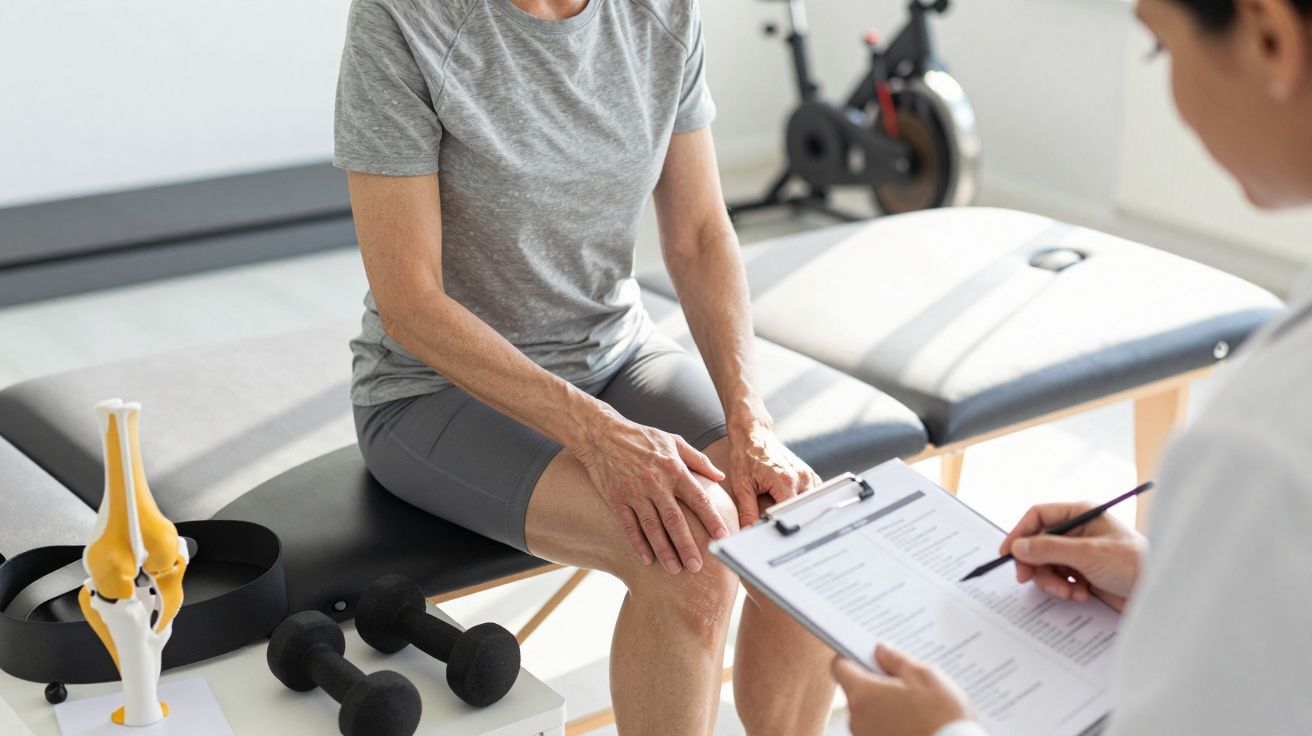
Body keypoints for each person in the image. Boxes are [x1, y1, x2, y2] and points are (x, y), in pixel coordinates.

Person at [333, 0, 839, 733]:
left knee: (800, 527)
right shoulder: (404, 17)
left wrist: (749, 420)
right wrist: (599, 435)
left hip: (613, 352)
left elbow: (698, 235)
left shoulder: (659, 12)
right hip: (431, 388)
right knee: (689, 556)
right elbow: (409, 300)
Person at [832, 0, 1312, 732]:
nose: (1174, 99)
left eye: (1159, 49)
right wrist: (1179, 587)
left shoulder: (1261, 447)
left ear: (1271, 38)